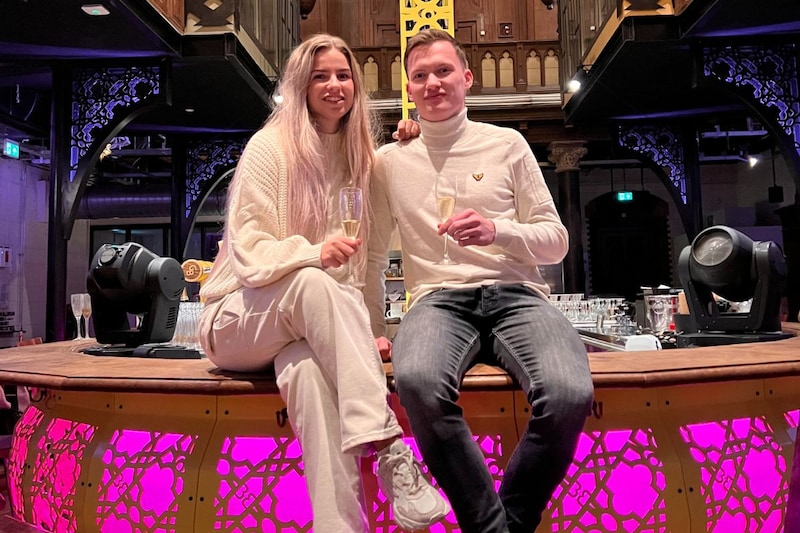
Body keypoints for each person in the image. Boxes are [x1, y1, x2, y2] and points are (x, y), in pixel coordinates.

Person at [197, 33, 449, 532]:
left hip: (306, 331)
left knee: (311, 379)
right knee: (312, 282)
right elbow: (249, 253)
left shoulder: (360, 159)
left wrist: (366, 330)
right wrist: (313, 252)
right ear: (301, 85)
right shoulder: (269, 148)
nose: (335, 85)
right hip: (236, 319)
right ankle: (391, 448)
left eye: (343, 75)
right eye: (320, 76)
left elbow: (366, 265)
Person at [365, 29, 595, 533]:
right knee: (417, 382)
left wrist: (498, 231)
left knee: (568, 393)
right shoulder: (388, 162)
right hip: (437, 301)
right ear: (409, 88)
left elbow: (556, 242)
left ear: (467, 78)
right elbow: (373, 255)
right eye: (420, 76)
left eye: (443, 71)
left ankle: (504, 523)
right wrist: (372, 326)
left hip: (519, 297)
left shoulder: (507, 144)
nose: (432, 83)